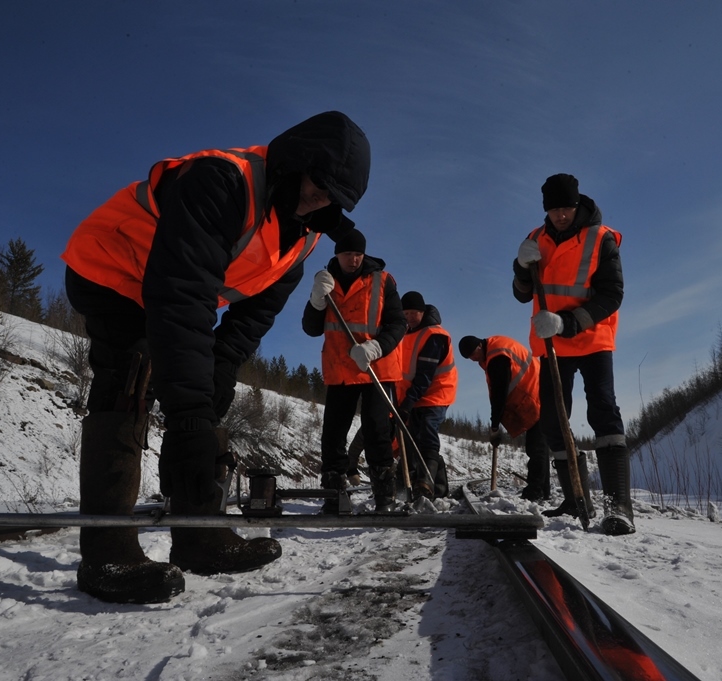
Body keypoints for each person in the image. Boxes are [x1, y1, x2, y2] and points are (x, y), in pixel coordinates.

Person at [60, 111, 371, 604]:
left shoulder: (305, 232)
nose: (321, 199)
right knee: (130, 375)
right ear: (295, 161)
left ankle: (200, 534)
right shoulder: (222, 180)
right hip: (113, 269)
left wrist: (218, 373)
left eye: (335, 195)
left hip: (171, 291)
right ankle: (107, 550)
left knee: (207, 392)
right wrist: (187, 415)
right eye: (318, 183)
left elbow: (253, 315)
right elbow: (183, 293)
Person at [511, 173, 635, 535]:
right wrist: (520, 267)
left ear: (577, 204)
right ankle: (575, 498)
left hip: (592, 337)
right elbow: (521, 293)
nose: (560, 215)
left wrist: (566, 323)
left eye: (566, 207)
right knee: (553, 421)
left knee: (603, 411)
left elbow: (612, 294)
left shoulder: (601, 238)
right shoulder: (535, 239)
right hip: (550, 345)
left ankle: (619, 507)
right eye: (553, 209)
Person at [301, 228, 406, 513]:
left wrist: (376, 347)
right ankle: (334, 495)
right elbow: (311, 328)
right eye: (348, 253)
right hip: (340, 369)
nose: (354, 259)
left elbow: (398, 324)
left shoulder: (383, 281)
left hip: (376, 367)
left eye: (358, 254)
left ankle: (384, 496)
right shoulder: (326, 281)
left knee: (377, 431)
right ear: (337, 254)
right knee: (333, 434)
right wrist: (316, 301)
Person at [457, 334, 550, 501]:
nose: (473, 360)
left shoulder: (497, 358)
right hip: (539, 392)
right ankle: (542, 490)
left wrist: (494, 426)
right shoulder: (495, 347)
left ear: (479, 346)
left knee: (536, 448)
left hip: (536, 396)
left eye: (473, 355)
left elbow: (499, 395)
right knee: (538, 447)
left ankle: (536, 491)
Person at [395, 291, 457, 499]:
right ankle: (433, 488)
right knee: (413, 438)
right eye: (406, 313)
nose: (410, 317)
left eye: (414, 313)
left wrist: (407, 403)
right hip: (414, 396)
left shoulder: (434, 336)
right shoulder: (404, 335)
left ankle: (425, 482)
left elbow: (424, 376)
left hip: (436, 393)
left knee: (428, 431)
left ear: (423, 312)